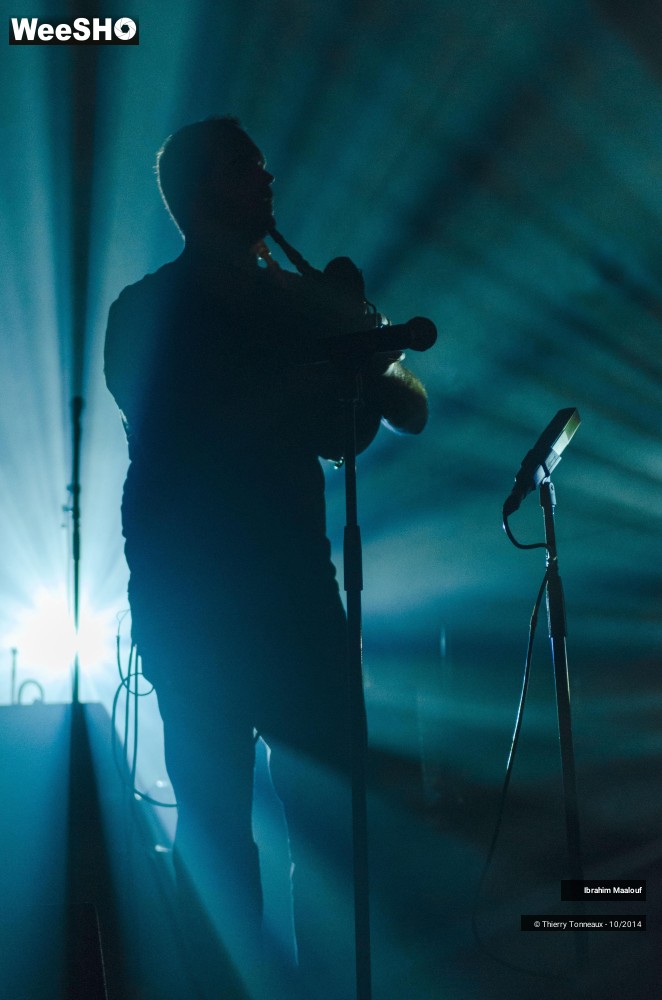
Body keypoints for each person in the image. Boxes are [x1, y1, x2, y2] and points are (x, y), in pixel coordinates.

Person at [104, 115, 428, 999]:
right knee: (216, 824)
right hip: (197, 598)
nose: (269, 179)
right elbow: (195, 432)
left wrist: (365, 337)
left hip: (288, 591)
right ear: (205, 189)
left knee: (324, 819)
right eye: (248, 167)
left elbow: (407, 409)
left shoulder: (291, 303)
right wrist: (317, 353)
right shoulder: (146, 311)